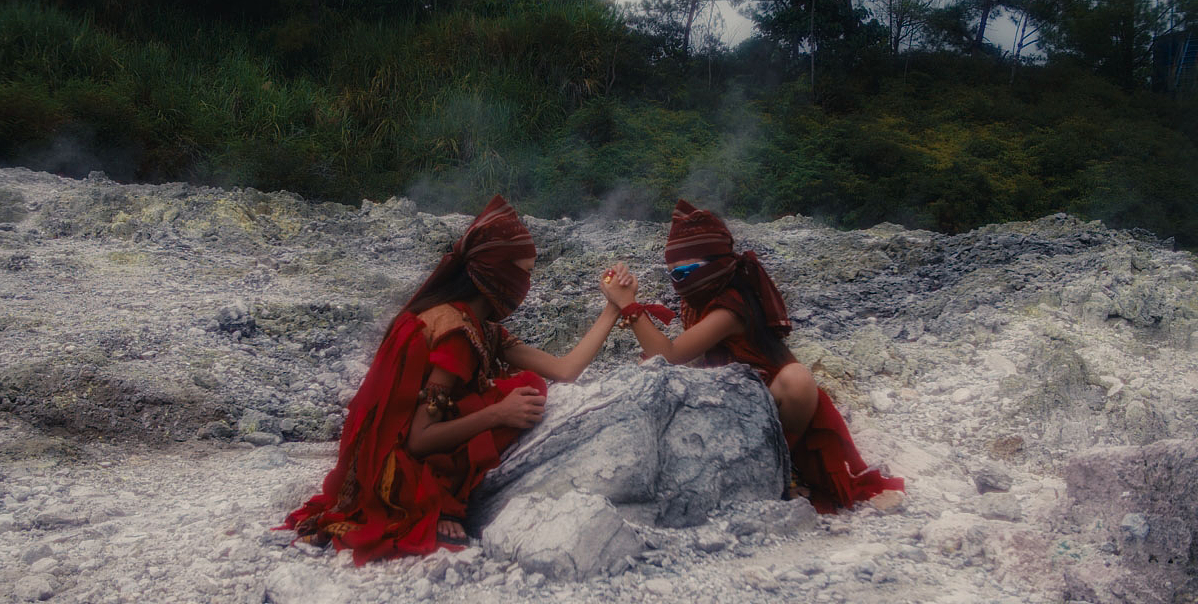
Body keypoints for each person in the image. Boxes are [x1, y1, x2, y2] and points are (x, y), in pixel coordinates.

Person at [281, 195, 627, 564]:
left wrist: (613, 306)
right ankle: (443, 502)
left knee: (525, 383)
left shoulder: (480, 327)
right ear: (495, 274)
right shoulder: (457, 333)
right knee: (514, 393)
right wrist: (500, 414)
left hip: (392, 448)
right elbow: (418, 438)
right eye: (523, 272)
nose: (527, 283)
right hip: (396, 464)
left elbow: (564, 369)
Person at [602, 199, 904, 513]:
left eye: (688, 271)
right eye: (674, 274)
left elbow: (673, 353)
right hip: (731, 394)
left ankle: (784, 465)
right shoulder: (699, 297)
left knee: (797, 379)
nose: (681, 280)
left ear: (717, 263)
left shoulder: (730, 307)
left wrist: (629, 306)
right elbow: (686, 356)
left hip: (770, 401)